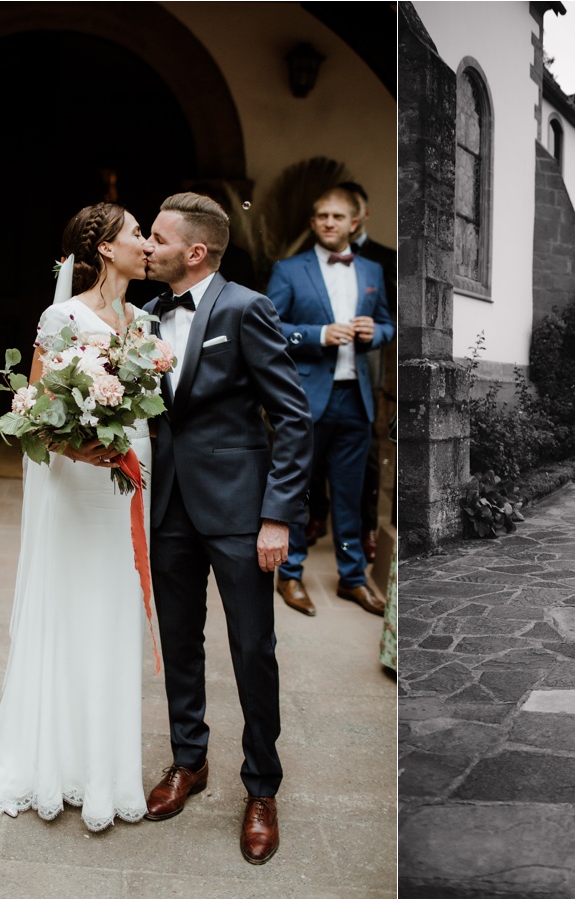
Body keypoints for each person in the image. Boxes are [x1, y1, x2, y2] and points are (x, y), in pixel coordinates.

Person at [0, 202, 154, 832]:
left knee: (115, 614)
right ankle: (47, 758)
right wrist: (85, 446)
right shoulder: (61, 317)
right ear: (106, 251)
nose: (147, 243)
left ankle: (104, 770)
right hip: (76, 487)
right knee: (70, 607)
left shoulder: (144, 321)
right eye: (137, 234)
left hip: (131, 478)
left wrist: (125, 445)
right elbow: (35, 414)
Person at [140, 192, 313, 865]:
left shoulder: (245, 308)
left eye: (157, 238)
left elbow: (292, 417)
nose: (147, 247)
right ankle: (190, 760)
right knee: (179, 641)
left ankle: (261, 787)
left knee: (252, 649)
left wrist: (277, 516)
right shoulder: (148, 316)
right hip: (169, 507)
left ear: (196, 251)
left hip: (242, 511)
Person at [268, 186, 395, 618]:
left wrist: (372, 334)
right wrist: (318, 335)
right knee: (299, 494)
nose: (328, 222)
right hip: (305, 398)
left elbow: (386, 327)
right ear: (312, 222)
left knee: (349, 496)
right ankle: (291, 574)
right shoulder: (289, 270)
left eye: (338, 216)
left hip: (356, 400)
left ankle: (353, 579)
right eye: (321, 215)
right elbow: (271, 330)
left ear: (354, 223)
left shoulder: (373, 270)